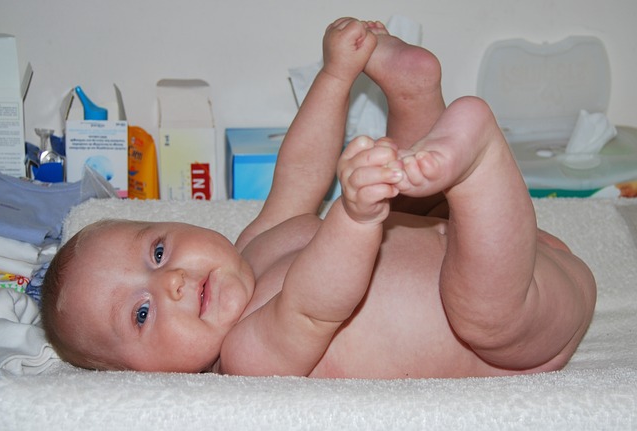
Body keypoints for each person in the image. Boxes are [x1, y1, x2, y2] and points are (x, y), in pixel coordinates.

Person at [41, 17, 596, 378]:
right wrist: (354, 219)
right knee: (479, 313)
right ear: (143, 379)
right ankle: (479, 159)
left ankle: (413, 94)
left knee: (408, 188)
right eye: (142, 313)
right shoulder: (248, 361)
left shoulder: (252, 245)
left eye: (157, 253)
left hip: (496, 246)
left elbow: (300, 176)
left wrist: (335, 76)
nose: (172, 283)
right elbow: (315, 303)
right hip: (519, 327)